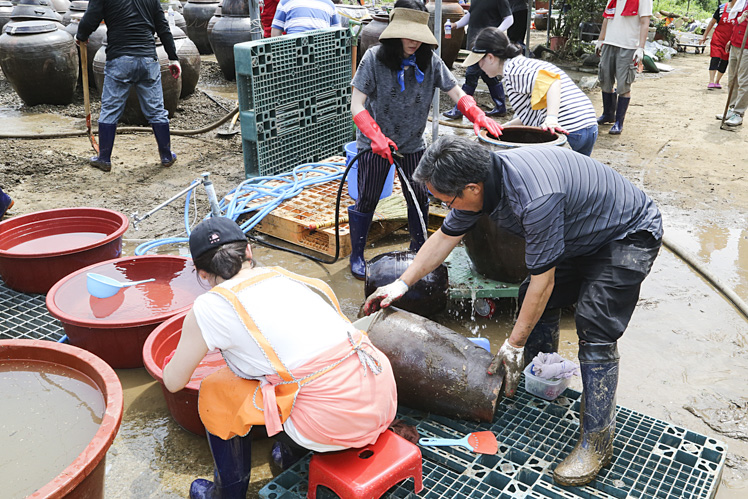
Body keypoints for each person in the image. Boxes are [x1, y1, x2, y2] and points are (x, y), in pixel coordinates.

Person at [363, 135, 663, 487]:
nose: (442, 204)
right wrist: (401, 283)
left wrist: (514, 343)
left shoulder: (535, 199)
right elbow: (444, 237)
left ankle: (596, 442)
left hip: (627, 233)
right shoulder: (482, 180)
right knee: (530, 297)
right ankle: (542, 376)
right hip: (583, 231)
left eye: (445, 199)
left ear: (472, 189)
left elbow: (544, 282)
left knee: (595, 328)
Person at [163, 217, 397, 499]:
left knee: (218, 389)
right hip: (382, 396)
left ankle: (226, 493)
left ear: (201, 274)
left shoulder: (208, 307)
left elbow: (174, 382)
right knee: (298, 372)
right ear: (249, 252)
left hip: (335, 421)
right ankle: (289, 455)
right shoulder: (283, 275)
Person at [348, 0, 502, 279]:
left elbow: (456, 91)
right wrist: (375, 136)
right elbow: (356, 104)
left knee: (419, 197)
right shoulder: (373, 58)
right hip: (374, 144)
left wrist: (477, 114)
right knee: (368, 197)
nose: (413, 42)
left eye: (418, 36)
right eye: (407, 34)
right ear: (394, 33)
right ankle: (356, 254)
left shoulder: (430, 60)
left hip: (412, 144)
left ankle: (419, 248)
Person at [76, 0, 181, 172]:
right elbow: (163, 28)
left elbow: (90, 20)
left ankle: (104, 159)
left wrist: (81, 35)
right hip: (148, 60)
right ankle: (166, 156)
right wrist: (173, 58)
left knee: (110, 110)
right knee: (156, 110)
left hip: (119, 60)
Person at [463, 27, 599, 155]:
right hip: (588, 124)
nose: (480, 68)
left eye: (480, 62)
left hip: (569, 129)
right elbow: (529, 115)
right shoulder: (520, 65)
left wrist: (551, 118)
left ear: (491, 58)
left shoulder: (514, 71)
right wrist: (502, 128)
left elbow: (552, 82)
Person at [442, 0, 513, 120]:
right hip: (475, 42)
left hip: (487, 44)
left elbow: (509, 19)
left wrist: (495, 33)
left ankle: (459, 109)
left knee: (471, 74)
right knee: (487, 76)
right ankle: (501, 107)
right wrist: (457, 24)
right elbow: (471, 14)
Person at [594, 0, 652, 135]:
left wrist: (641, 48)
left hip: (628, 45)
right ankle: (608, 114)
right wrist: (601, 39)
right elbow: (607, 18)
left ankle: (619, 122)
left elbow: (645, 22)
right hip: (609, 42)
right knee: (605, 79)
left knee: (623, 84)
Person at [717, 4, 748, 126]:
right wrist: (731, 39)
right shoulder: (742, 2)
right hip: (736, 43)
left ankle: (738, 113)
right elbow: (737, 22)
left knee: (743, 81)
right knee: (732, 79)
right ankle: (732, 108)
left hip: (746, 47)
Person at [700, 0, 738, 90]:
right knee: (715, 58)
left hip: (730, 40)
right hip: (718, 38)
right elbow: (712, 23)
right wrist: (704, 36)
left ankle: (717, 81)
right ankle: (711, 81)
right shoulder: (721, 9)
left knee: (725, 61)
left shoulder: (740, 11)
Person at [270, 0, 340, 36]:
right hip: (322, 50)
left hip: (293, 50)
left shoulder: (285, 1)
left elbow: (275, 34)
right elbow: (338, 33)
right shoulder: (330, 4)